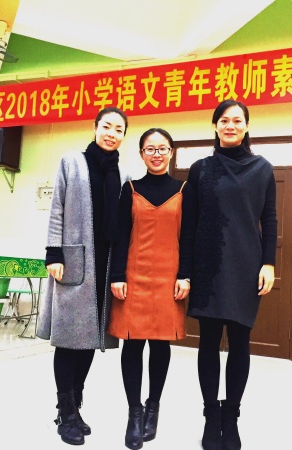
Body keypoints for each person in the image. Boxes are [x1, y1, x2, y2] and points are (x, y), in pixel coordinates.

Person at [37, 106, 131, 446]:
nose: (111, 133)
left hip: (105, 264)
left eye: (119, 129)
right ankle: (65, 412)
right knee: (69, 339)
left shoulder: (123, 174)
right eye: (107, 126)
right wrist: (53, 252)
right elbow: (57, 207)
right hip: (74, 261)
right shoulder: (72, 162)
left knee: (90, 339)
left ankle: (75, 406)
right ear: (95, 127)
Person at [187, 100, 278, 450]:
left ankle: (232, 417)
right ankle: (211, 416)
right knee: (208, 342)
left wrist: (268, 263)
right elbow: (189, 223)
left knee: (240, 342)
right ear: (215, 126)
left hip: (246, 265)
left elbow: (269, 219)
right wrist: (185, 271)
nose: (230, 125)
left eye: (237, 120)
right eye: (224, 120)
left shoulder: (262, 168)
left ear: (246, 126)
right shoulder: (200, 169)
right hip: (208, 266)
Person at [108, 128, 196, 450]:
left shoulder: (184, 189)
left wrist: (185, 275)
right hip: (133, 277)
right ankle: (134, 413)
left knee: (160, 345)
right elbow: (120, 236)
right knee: (132, 345)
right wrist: (117, 275)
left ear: (171, 152)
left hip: (168, 279)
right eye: (150, 149)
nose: (156, 154)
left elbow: (189, 237)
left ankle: (153, 407)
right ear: (142, 154)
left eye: (162, 149)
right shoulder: (130, 189)